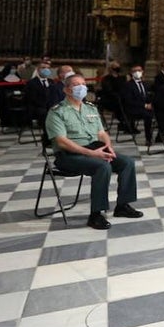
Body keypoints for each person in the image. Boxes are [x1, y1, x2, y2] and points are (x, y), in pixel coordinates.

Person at [46, 73, 143, 230]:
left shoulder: (90, 108)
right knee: (103, 166)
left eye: (83, 84)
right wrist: (91, 154)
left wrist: (108, 147)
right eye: (76, 85)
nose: (81, 87)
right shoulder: (57, 112)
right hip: (68, 155)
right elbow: (61, 142)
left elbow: (101, 133)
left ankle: (122, 206)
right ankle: (96, 214)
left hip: (94, 148)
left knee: (127, 162)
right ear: (66, 90)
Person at [118, 64, 154, 145]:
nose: (137, 72)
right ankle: (148, 139)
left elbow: (147, 97)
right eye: (135, 71)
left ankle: (160, 136)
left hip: (144, 108)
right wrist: (145, 105)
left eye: (139, 70)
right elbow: (129, 101)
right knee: (148, 115)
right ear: (131, 73)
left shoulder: (145, 84)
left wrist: (151, 104)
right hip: (133, 109)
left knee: (159, 112)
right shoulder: (128, 85)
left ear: (142, 71)